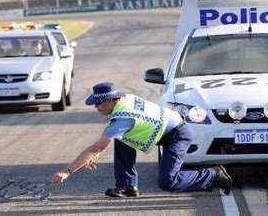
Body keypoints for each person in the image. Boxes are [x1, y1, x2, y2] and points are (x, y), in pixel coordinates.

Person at [51, 82, 233, 198]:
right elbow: (106, 140)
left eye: (99, 103)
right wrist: (98, 150)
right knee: (121, 139)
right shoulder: (124, 100)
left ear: (111, 101)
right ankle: (127, 186)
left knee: (169, 182)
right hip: (165, 128)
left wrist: (67, 171)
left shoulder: (123, 118)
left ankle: (213, 175)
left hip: (178, 135)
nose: (96, 106)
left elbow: (96, 148)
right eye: (94, 103)